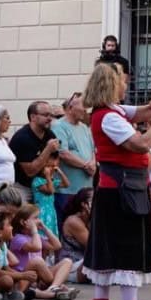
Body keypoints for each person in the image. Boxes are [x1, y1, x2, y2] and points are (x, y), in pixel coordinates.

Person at [82, 59, 151, 300]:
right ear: (111, 84)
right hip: (122, 189)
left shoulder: (111, 111)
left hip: (116, 188)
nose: (125, 83)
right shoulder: (108, 117)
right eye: (121, 79)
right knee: (128, 247)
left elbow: (143, 112)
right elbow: (141, 144)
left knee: (108, 247)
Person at [51, 92, 96, 220]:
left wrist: (93, 163)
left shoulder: (84, 128)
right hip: (67, 190)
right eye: (83, 108)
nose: (85, 111)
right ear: (70, 108)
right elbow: (63, 153)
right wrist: (86, 165)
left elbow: (92, 150)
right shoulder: (59, 126)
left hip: (85, 189)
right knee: (65, 222)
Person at [9, 101, 60, 202]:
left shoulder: (49, 134)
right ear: (32, 117)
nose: (49, 118)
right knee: (21, 215)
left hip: (43, 184)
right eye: (45, 115)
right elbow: (30, 171)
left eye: (51, 115)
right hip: (23, 186)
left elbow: (55, 161)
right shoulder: (22, 138)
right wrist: (48, 149)